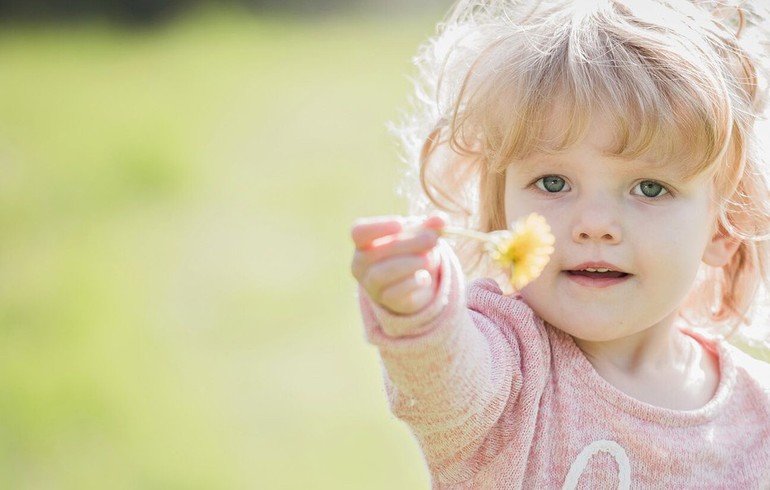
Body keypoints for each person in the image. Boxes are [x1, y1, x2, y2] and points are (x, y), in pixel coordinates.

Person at [351, 0, 770, 487]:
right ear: (501, 209)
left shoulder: (758, 415)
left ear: (722, 229)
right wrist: (419, 308)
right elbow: (443, 373)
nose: (594, 225)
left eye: (649, 188)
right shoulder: (507, 367)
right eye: (553, 182)